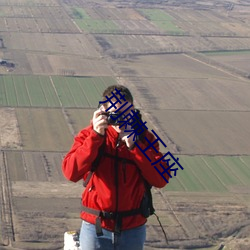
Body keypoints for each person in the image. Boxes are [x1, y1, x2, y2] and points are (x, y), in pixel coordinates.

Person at [62, 85, 170, 250]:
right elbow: (71, 172)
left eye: (125, 114)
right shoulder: (90, 135)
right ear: (103, 112)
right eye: (114, 115)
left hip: (132, 228)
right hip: (96, 226)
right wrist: (96, 137)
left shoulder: (144, 138)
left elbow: (161, 179)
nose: (120, 120)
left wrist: (135, 147)